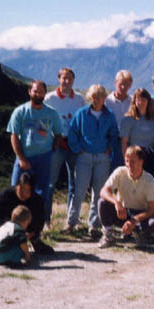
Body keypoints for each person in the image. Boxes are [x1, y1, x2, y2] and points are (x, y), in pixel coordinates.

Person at [66, 84, 119, 238]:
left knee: (98, 193)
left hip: (102, 158)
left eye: (101, 96)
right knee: (79, 191)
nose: (97, 100)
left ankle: (94, 225)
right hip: (84, 156)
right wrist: (78, 149)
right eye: (94, 96)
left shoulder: (109, 115)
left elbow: (114, 134)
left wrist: (109, 148)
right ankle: (71, 222)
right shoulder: (82, 113)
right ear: (90, 97)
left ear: (105, 98)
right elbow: (72, 132)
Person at [7, 80, 62, 209]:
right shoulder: (20, 112)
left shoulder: (52, 113)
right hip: (24, 157)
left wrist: (51, 151)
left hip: (44, 158)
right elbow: (13, 136)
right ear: (29, 92)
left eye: (41, 92)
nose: (38, 94)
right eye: (35, 91)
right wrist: (21, 159)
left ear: (45, 94)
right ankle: (14, 222)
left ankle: (37, 224)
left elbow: (58, 134)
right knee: (16, 189)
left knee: (42, 192)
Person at [44, 67, 85, 226]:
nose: (67, 81)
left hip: (74, 145)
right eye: (64, 78)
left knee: (75, 183)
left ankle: (72, 219)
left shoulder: (79, 99)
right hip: (56, 144)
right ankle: (46, 220)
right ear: (58, 79)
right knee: (50, 183)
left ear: (73, 80)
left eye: (70, 78)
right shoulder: (50, 98)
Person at [97, 146, 154, 248]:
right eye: (127, 161)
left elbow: (151, 210)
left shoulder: (150, 181)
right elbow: (103, 191)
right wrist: (116, 203)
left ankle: (139, 234)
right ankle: (108, 235)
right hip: (123, 211)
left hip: (141, 214)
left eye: (133, 162)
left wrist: (134, 220)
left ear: (141, 162)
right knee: (102, 202)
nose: (129, 165)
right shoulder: (120, 172)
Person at [0, 173, 54, 257]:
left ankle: (35, 242)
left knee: (34, 230)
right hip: (4, 229)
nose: (24, 193)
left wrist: (32, 232)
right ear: (17, 185)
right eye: (22, 189)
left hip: (26, 230)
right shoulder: (4, 195)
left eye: (28, 191)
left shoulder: (37, 200)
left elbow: (39, 220)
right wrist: (11, 231)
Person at [120, 88, 154, 176]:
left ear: (148, 102)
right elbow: (124, 143)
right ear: (134, 101)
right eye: (139, 100)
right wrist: (126, 161)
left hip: (150, 157)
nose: (141, 102)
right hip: (134, 156)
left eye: (144, 100)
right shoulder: (128, 119)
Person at [105, 69, 133, 170]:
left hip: (129, 140)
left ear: (130, 85)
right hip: (111, 140)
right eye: (121, 84)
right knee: (112, 170)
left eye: (126, 84)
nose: (123, 87)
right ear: (115, 83)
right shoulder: (107, 101)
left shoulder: (133, 102)